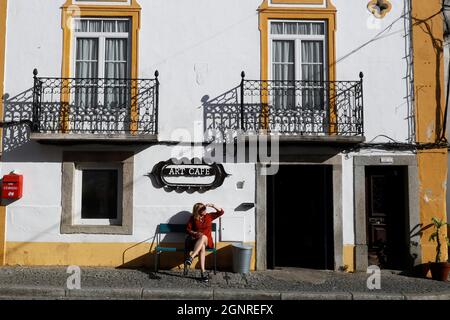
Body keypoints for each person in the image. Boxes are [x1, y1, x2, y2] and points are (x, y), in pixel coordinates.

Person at [185, 203, 224, 282]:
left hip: (207, 241)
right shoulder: (193, 218)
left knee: (203, 237)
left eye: (204, 209)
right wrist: (195, 233)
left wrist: (213, 205)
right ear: (197, 211)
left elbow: (221, 212)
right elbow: (187, 229)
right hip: (196, 242)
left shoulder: (209, 216)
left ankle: (191, 257)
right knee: (202, 246)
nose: (205, 210)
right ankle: (203, 273)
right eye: (202, 209)